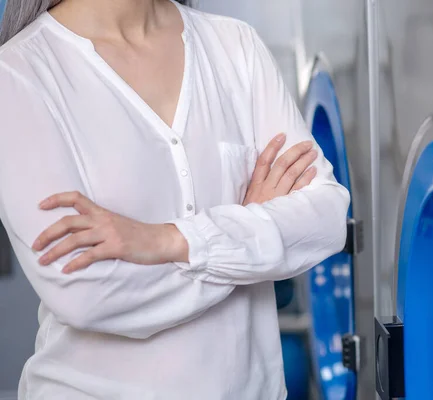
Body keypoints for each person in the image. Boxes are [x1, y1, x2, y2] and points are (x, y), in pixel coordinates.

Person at [0, 0, 350, 399]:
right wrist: (249, 233)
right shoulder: (18, 75)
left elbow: (325, 218)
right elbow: (87, 293)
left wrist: (165, 241)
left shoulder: (235, 46)